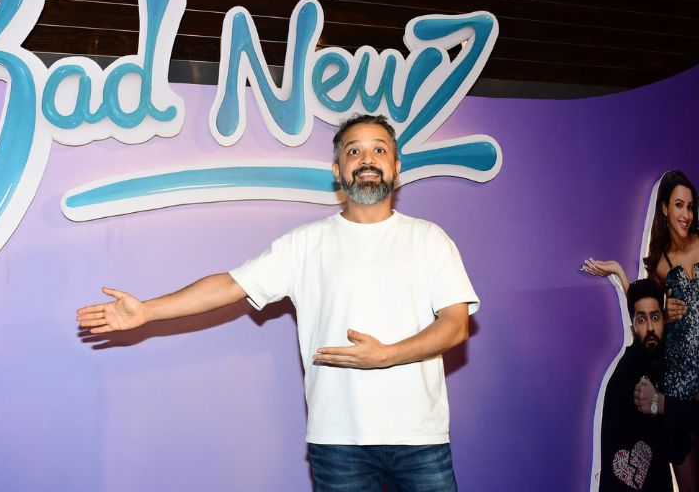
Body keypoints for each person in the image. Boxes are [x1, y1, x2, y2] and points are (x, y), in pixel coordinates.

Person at [77, 113, 479, 491]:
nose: (367, 159)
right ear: (337, 170)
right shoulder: (305, 243)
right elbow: (230, 284)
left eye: (379, 149)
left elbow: (455, 325)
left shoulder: (429, 239)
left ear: (396, 166)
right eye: (354, 151)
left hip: (420, 437)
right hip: (338, 441)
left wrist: (387, 355)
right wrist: (148, 310)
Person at [585, 170, 699, 489]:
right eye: (678, 205)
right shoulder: (659, 262)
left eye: (690, 206)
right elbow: (647, 309)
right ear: (664, 208)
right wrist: (621, 275)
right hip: (679, 377)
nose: (686, 214)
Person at [599, 279, 689, 491]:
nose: (650, 328)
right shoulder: (631, 377)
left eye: (655, 318)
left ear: (664, 321)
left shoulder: (658, 368)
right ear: (632, 327)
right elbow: (678, 448)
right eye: (641, 320)